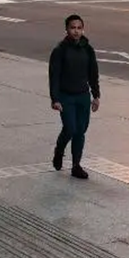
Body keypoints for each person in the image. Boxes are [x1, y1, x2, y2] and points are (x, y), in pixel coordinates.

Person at [49, 14, 100, 179]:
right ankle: (59, 150)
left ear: (83, 29)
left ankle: (76, 165)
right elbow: (54, 76)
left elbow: (93, 74)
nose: (76, 31)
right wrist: (55, 99)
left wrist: (96, 95)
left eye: (79, 28)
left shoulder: (88, 49)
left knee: (81, 131)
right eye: (72, 28)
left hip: (83, 96)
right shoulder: (60, 50)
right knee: (70, 128)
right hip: (66, 96)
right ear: (67, 29)